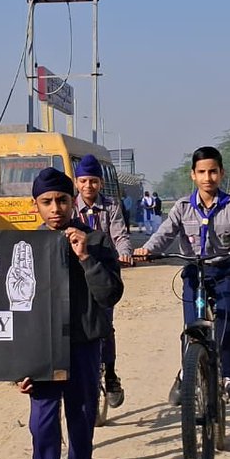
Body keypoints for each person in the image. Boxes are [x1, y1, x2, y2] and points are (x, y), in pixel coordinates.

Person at [15, 167, 124, 459]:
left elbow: (110, 294)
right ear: (36, 206)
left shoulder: (95, 240)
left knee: (80, 432)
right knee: (43, 435)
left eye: (62, 200)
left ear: (73, 200)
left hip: (83, 349)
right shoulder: (24, 247)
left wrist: (86, 257)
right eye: (47, 202)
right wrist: (18, 365)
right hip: (42, 355)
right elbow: (14, 307)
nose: (56, 208)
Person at [134, 146, 230, 405]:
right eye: (202, 172)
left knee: (226, 320)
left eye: (213, 172)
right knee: (192, 328)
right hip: (194, 273)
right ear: (193, 175)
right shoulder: (183, 207)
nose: (208, 178)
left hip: (224, 271)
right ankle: (187, 372)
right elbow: (164, 234)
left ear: (221, 173)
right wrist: (147, 250)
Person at [73, 154, 132, 408]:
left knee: (105, 326)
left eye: (94, 181)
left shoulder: (111, 206)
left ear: (100, 183)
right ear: (76, 183)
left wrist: (125, 253)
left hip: (102, 272)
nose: (89, 186)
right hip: (74, 275)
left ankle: (110, 374)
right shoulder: (68, 206)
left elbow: (120, 235)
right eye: (84, 181)